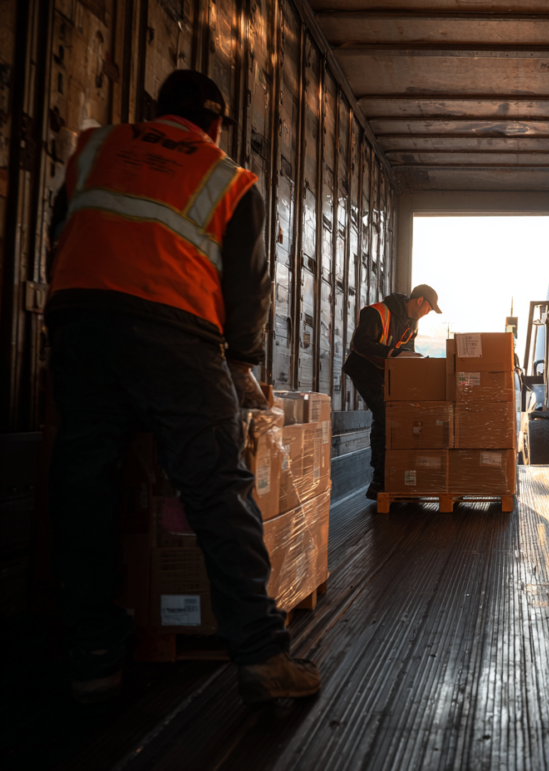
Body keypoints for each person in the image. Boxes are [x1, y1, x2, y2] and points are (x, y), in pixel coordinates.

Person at [45, 70, 320, 704]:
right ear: (217, 125)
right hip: (174, 333)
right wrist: (243, 365)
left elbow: (60, 237)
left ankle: (92, 655)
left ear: (154, 111)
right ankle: (260, 655)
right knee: (216, 484)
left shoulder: (95, 147)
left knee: (83, 482)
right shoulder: (228, 177)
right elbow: (249, 290)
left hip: (80, 325)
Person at [342, 285, 441, 499]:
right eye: (429, 308)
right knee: (386, 414)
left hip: (382, 371)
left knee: (391, 414)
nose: (428, 313)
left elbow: (402, 352)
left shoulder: (411, 325)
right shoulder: (377, 312)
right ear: (419, 301)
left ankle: (389, 475)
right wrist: (397, 354)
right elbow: (361, 344)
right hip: (363, 368)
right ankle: (380, 480)